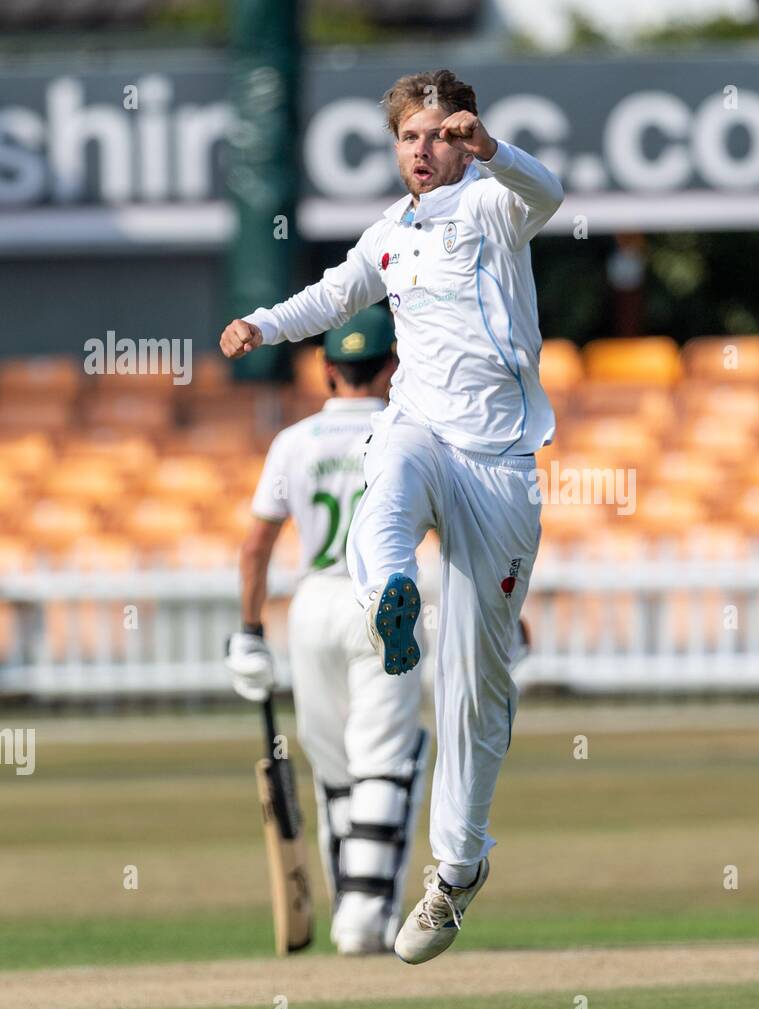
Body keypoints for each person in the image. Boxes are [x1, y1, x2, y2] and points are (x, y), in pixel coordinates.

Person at [220, 68, 563, 963]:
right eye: (410, 137)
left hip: (500, 463)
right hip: (419, 426)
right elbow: (331, 299)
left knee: (479, 690)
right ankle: (392, 599)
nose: (423, 151)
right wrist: (261, 322)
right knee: (387, 487)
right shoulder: (390, 235)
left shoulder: (495, 206)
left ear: (464, 137)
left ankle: (457, 871)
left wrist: (494, 151)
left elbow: (549, 191)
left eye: (439, 135)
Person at [225, 309, 427, 954]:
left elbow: (256, 547)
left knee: (336, 765)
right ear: (392, 367)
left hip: (311, 604)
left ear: (327, 369)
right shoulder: (414, 436)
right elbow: (456, 536)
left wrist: (249, 632)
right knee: (384, 758)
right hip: (384, 601)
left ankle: (352, 900)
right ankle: (363, 916)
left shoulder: (295, 441)